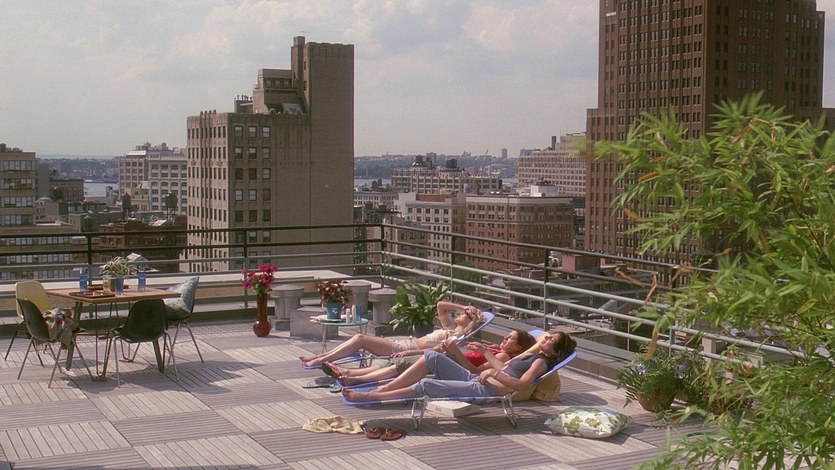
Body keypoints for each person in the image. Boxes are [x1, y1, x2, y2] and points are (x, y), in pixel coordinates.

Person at [342, 331, 576, 402]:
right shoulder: (532, 355)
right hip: (478, 379)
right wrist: (485, 352)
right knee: (432, 356)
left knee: (428, 384)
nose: (545, 338)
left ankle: (374, 396)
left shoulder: (540, 362)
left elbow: (521, 384)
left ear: (555, 351)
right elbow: (502, 367)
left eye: (550, 340)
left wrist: (493, 372)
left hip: (487, 389)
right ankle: (386, 388)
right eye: (547, 336)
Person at [300, 301, 484, 368]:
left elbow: (437, 351)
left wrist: (410, 353)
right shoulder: (450, 328)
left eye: (464, 314)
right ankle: (320, 358)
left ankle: (320, 360)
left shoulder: (455, 338)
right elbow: (440, 305)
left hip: (404, 348)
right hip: (403, 343)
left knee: (360, 338)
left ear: (469, 322)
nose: (460, 314)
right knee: (358, 339)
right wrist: (463, 306)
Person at [325, 329, 537, 386]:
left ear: (518, 347)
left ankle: (353, 378)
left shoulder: (500, 355)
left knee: (397, 366)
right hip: (446, 358)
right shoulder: (494, 348)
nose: (505, 339)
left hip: (452, 367)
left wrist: (455, 351)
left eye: (510, 338)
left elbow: (473, 372)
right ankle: (349, 373)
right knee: (397, 363)